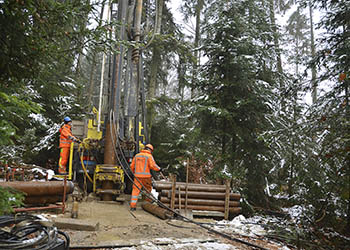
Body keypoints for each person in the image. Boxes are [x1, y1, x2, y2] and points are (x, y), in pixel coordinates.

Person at [130, 144, 160, 211]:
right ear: (150, 150)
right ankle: (147, 202)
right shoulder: (149, 156)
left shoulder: (137, 156)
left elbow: (132, 166)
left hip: (137, 177)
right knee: (148, 189)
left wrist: (133, 172)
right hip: (146, 177)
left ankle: (132, 206)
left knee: (135, 191)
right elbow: (153, 166)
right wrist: (159, 169)